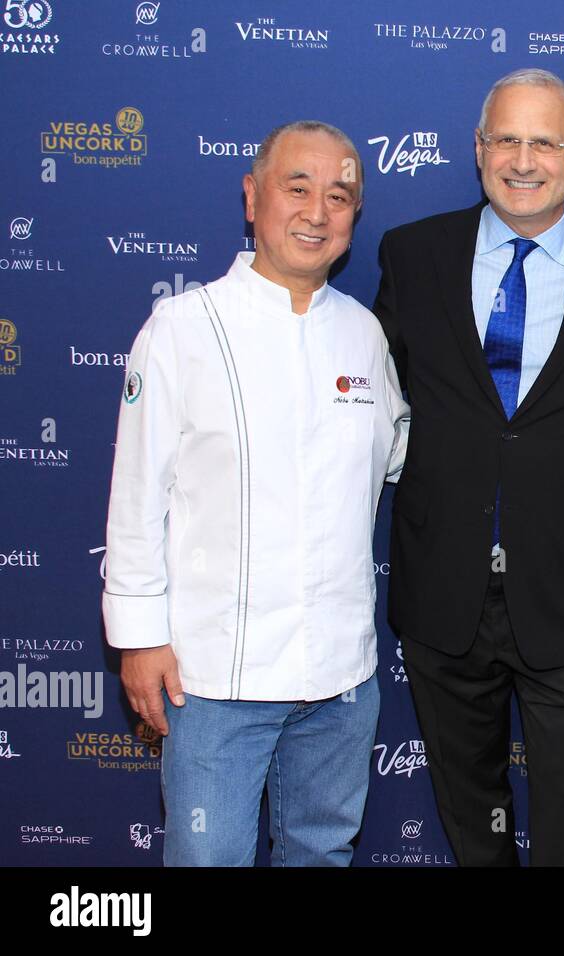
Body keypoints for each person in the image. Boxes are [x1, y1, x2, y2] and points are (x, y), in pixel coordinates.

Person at [372, 68, 564, 866]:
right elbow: (360, 399)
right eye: (507, 138)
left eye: (546, 141)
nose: (525, 159)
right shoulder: (411, 256)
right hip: (442, 589)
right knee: (471, 817)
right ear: (479, 149)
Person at [103, 120, 409, 866]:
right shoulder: (180, 328)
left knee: (322, 853)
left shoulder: (364, 336)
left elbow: (396, 452)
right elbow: (136, 493)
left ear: (354, 217)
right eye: (296, 187)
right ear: (252, 197)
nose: (316, 211)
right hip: (211, 682)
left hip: (339, 678)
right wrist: (139, 637)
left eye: (339, 195)